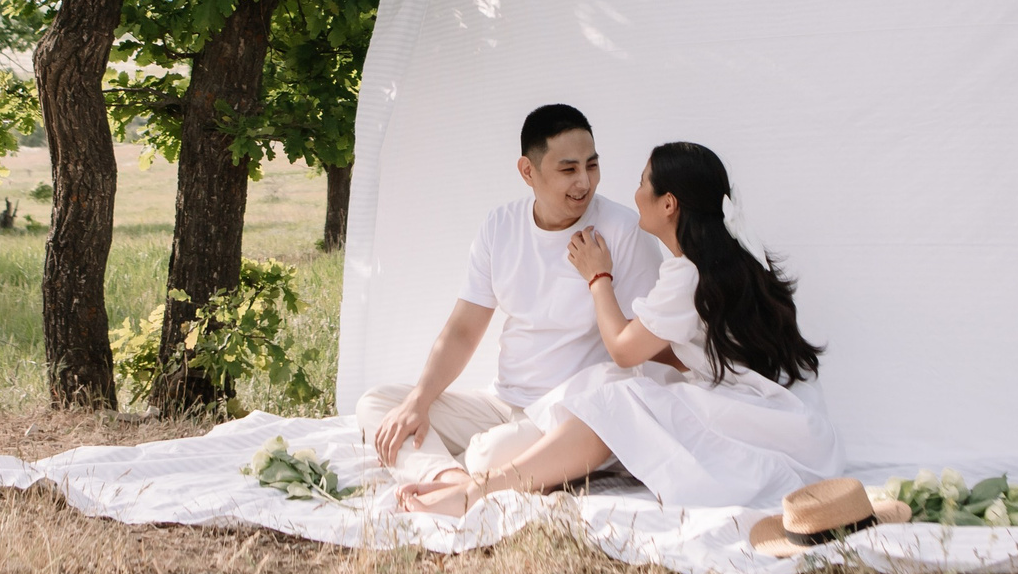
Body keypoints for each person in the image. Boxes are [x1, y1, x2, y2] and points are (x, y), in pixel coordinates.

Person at [397, 140, 846, 514]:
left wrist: (598, 276)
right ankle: (482, 478)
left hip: (759, 420)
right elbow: (681, 351)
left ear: (668, 204)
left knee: (615, 396)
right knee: (611, 387)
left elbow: (624, 350)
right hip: (781, 413)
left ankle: (477, 491)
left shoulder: (688, 273)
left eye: (642, 183)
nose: (634, 194)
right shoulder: (720, 256)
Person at [358, 104, 664, 484]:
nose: (584, 182)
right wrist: (418, 401)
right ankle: (447, 479)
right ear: (527, 171)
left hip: (573, 412)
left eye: (592, 165)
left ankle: (466, 472)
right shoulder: (500, 226)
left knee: (486, 455)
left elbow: (644, 347)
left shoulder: (623, 230)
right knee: (378, 404)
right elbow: (463, 330)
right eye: (568, 170)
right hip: (503, 402)